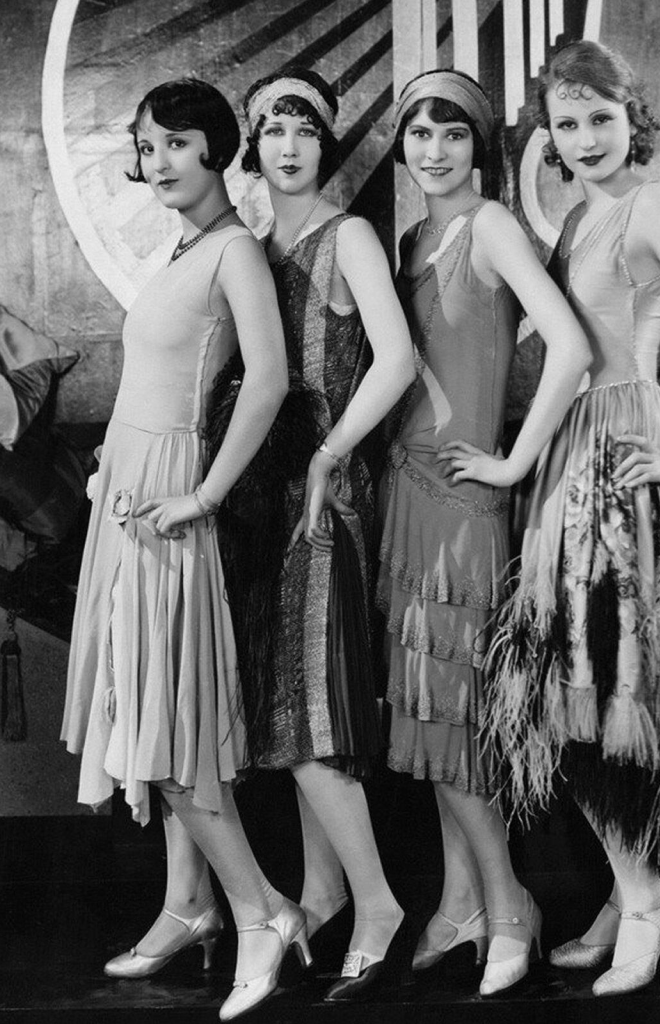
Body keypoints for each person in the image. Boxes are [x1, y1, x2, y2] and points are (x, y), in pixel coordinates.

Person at [441, 41, 660, 997]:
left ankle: (646, 901)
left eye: (600, 119)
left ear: (633, 120)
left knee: (603, 681)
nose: (584, 138)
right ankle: (633, 899)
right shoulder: (581, 213)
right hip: (570, 453)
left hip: (618, 449)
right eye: (566, 123)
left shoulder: (651, 206)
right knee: (569, 684)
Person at [60, 79, 305, 1023]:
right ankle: (188, 904)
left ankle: (262, 912)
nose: (156, 161)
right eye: (145, 145)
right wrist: (109, 465)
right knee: (148, 712)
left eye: (173, 142)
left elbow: (269, 380)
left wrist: (203, 494)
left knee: (165, 727)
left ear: (215, 148)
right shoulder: (186, 246)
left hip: (170, 502)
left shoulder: (235, 249)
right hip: (129, 494)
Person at [381, 69, 591, 998]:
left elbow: (569, 347)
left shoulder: (491, 225)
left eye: (453, 134)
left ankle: (510, 904)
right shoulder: (411, 237)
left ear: (478, 145)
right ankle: (459, 901)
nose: (434, 151)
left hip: (464, 503)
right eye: (419, 134)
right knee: (431, 713)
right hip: (405, 490)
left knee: (455, 714)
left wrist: (511, 464)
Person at [229, 67, 416, 1002]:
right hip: (264, 500)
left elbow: (398, 359)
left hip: (329, 494)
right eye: (273, 128)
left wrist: (329, 453)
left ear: (325, 142)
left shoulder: (349, 237)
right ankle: (322, 891)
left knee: (308, 708)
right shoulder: (250, 247)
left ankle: (378, 904)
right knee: (289, 705)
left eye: (304, 127)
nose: (289, 144)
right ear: (252, 146)